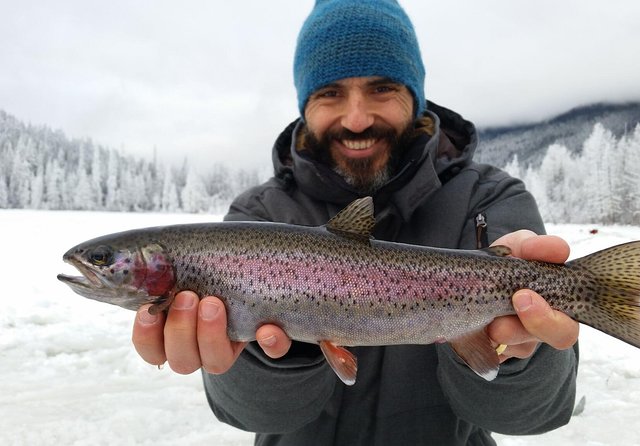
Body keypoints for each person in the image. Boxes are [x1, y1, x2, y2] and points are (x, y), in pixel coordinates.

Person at [132, 1, 579, 444]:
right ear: (305, 106)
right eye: (330, 93)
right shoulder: (256, 215)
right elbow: (251, 414)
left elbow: (534, 416)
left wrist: (524, 352)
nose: (358, 118)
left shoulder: (490, 199)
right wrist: (280, 353)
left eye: (382, 88)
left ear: (416, 97)